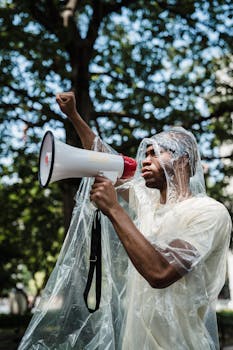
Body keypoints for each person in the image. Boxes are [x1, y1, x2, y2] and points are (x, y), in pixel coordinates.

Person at [19, 91, 231, 350]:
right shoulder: (148, 205)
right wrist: (74, 116)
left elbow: (160, 272)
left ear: (183, 160)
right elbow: (103, 160)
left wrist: (114, 209)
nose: (146, 160)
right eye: (146, 153)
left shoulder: (208, 212)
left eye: (156, 153)